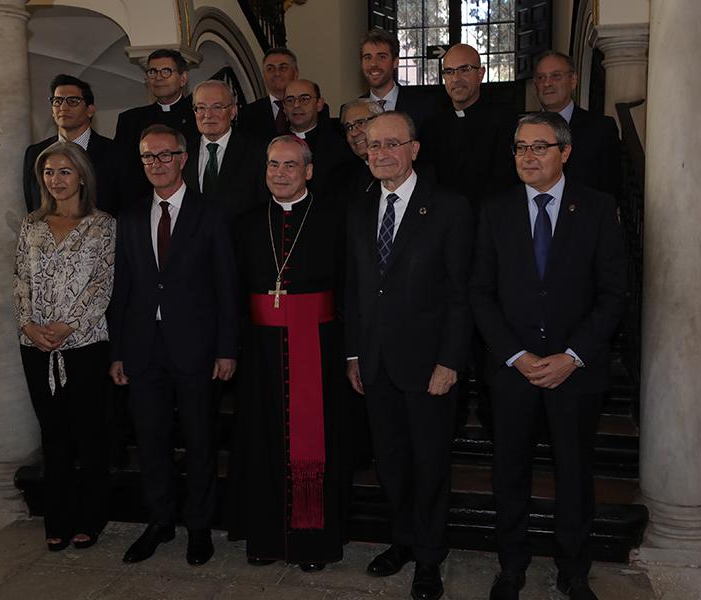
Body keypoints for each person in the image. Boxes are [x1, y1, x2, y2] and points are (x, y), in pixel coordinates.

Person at [469, 112, 627, 600]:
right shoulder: (495, 211)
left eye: (539, 147)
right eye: (520, 147)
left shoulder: (598, 209)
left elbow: (615, 294)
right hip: (513, 372)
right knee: (509, 473)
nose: (528, 156)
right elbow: (480, 292)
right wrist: (515, 354)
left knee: (575, 475)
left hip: (575, 372)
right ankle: (510, 567)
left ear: (565, 152)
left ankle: (574, 570)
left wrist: (572, 355)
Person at [345, 112, 473, 600]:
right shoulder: (358, 208)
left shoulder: (449, 208)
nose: (379, 153)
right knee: (391, 462)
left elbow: (461, 294)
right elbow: (357, 289)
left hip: (428, 367)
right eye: (372, 145)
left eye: (391, 144)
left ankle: (429, 557)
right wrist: (353, 354)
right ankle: (401, 540)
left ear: (414, 150)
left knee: (430, 464)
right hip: (375, 364)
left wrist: (450, 361)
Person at [107, 124, 239, 566]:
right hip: (144, 349)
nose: (156, 164)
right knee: (151, 439)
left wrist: (226, 348)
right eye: (148, 157)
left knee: (201, 440)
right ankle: (160, 521)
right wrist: (118, 351)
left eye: (165, 155)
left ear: (183, 159)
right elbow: (121, 290)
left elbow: (226, 287)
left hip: (197, 348)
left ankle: (199, 526)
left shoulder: (211, 213)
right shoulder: (128, 216)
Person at [228, 135, 350, 572]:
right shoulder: (245, 223)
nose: (280, 174)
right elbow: (231, 293)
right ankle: (265, 537)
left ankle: (312, 543)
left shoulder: (335, 219)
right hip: (260, 350)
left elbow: (349, 290)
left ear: (309, 171)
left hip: (319, 346)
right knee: (262, 441)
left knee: (316, 444)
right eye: (273, 165)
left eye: (290, 166)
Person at [13, 140, 116, 552]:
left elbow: (103, 283)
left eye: (64, 172)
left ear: (82, 176)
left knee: (89, 434)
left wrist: (68, 326)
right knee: (53, 435)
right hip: (36, 345)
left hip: (86, 344)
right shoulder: (31, 225)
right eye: (49, 172)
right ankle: (57, 518)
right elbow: (20, 278)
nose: (56, 180)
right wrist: (29, 324)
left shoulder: (103, 224)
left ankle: (91, 517)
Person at [420, 43, 517, 209]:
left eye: (464, 70)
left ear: (480, 74)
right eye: (449, 72)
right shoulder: (430, 127)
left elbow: (504, 182)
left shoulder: (504, 123)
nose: (456, 78)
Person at [22, 74, 121, 216]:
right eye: (57, 101)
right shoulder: (35, 153)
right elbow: (33, 206)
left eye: (73, 101)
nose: (63, 107)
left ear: (90, 110)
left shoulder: (117, 153)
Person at [532, 50, 622, 198]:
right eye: (541, 77)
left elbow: (611, 188)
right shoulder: (523, 131)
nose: (547, 83)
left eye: (556, 76)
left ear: (573, 80)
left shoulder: (601, 128)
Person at [114, 49, 198, 203]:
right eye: (152, 72)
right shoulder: (130, 121)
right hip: (144, 206)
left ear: (183, 78)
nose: (158, 77)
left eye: (166, 71)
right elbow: (123, 174)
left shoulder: (199, 117)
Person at [184, 80, 267, 219]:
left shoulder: (257, 151)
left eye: (217, 107)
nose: (208, 115)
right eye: (201, 107)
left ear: (233, 111)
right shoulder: (182, 152)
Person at [359, 28, 441, 133]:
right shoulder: (354, 110)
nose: (373, 64)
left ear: (396, 62)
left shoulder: (423, 106)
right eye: (367, 57)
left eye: (382, 57)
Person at [284, 79, 349, 195]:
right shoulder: (274, 145)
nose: (296, 105)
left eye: (304, 99)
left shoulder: (339, 144)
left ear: (319, 104)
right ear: (284, 108)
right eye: (290, 100)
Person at [237, 47, 299, 140]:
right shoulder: (248, 113)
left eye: (283, 68)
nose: (277, 73)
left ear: (295, 73)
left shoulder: (310, 109)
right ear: (264, 76)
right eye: (270, 68)